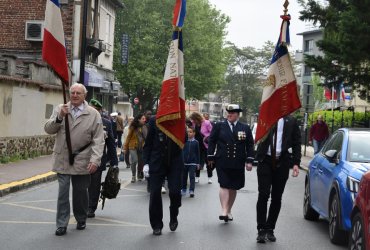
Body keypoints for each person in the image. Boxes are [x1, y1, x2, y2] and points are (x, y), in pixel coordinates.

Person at [44, 83, 105, 236]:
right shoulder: (61, 108)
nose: (75, 95)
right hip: (63, 158)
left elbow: (98, 139)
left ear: (85, 95)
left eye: (78, 93)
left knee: (80, 192)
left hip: (83, 158)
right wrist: (59, 117)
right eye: (72, 92)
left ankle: (81, 217)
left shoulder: (93, 114)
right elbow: (48, 129)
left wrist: (95, 160)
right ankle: (61, 224)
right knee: (62, 192)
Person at [255, 115, 301, 243]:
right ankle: (261, 229)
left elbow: (297, 141)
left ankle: (270, 228)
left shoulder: (291, 121)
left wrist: (296, 163)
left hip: (282, 162)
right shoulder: (266, 117)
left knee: (277, 197)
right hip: (265, 160)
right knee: (263, 194)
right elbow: (258, 136)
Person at [207, 104, 254, 222]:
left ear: (238, 115)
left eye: (232, 113)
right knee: (223, 184)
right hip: (222, 160)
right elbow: (211, 141)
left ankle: (228, 210)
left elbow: (250, 145)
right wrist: (210, 156)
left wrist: (249, 160)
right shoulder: (219, 126)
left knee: (233, 187)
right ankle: (223, 210)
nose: (229, 114)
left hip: (238, 161)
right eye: (228, 112)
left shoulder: (245, 127)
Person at [143, 117, 184, 235]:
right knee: (155, 193)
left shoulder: (179, 119)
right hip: (157, 161)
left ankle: (173, 215)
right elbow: (148, 144)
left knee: (175, 192)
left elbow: (184, 140)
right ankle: (157, 224)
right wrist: (146, 163)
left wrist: (179, 129)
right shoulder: (154, 121)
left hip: (175, 162)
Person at [87, 99, 118, 218]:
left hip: (99, 159)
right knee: (82, 185)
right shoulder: (82, 120)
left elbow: (111, 144)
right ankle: (82, 205)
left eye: (95, 110)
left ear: (99, 111)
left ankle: (91, 207)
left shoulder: (106, 123)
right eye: (91, 109)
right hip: (82, 158)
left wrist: (114, 163)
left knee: (94, 184)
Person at [189, 112, 213, 184]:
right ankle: (197, 177)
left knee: (207, 161)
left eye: (193, 119)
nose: (193, 121)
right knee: (197, 161)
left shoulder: (206, 123)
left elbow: (212, 132)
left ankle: (209, 177)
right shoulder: (193, 123)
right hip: (197, 144)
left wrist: (207, 137)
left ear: (197, 118)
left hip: (205, 144)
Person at [123, 113, 146, 182]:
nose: (144, 120)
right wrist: (125, 147)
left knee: (141, 161)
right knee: (134, 160)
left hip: (141, 146)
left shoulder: (144, 127)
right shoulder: (133, 127)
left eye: (145, 119)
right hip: (132, 146)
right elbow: (128, 137)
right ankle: (133, 175)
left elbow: (146, 137)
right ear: (139, 119)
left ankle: (139, 174)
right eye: (143, 119)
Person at [181, 126, 200, 197]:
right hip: (184, 162)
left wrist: (198, 163)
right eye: (187, 132)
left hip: (193, 163)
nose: (189, 133)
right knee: (184, 177)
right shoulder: (184, 141)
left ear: (194, 133)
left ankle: (191, 190)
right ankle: (183, 189)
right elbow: (181, 151)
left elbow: (198, 153)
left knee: (192, 176)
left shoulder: (196, 142)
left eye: (190, 132)